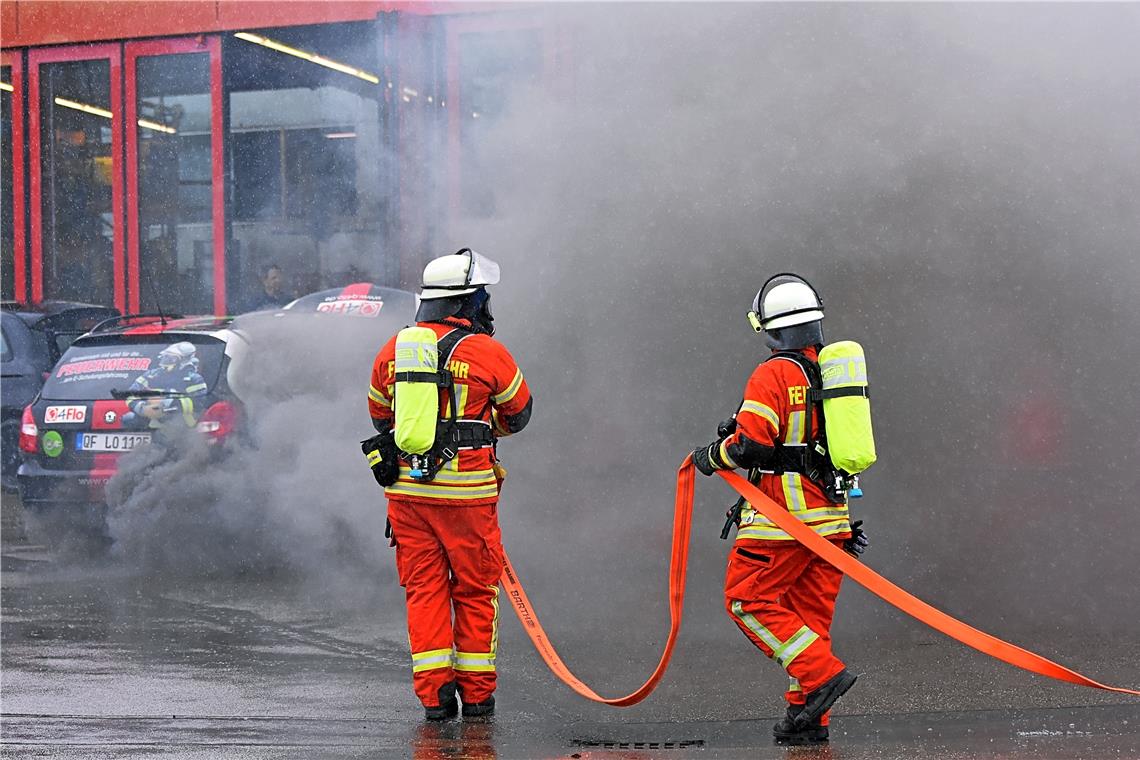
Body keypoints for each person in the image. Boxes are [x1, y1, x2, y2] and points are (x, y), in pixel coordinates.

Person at [690, 273, 864, 745]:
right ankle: (808, 718)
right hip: (831, 522)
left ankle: (822, 677)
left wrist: (711, 456)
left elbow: (752, 447)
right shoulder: (833, 375)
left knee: (747, 602)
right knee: (808, 621)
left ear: (772, 329)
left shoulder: (774, 373)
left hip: (782, 522)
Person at [367, 248, 533, 721]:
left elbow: (381, 416)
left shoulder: (392, 349)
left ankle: (435, 698)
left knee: (424, 589)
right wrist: (479, 429)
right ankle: (477, 696)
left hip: (406, 494)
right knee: (476, 590)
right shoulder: (486, 351)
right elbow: (518, 414)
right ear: (468, 304)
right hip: (466, 496)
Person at [122, 341, 208, 429]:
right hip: (151, 417)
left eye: (172, 358)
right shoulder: (152, 375)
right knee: (129, 419)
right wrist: (143, 409)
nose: (166, 360)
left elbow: (198, 403)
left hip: (180, 421)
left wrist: (164, 404)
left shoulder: (194, 379)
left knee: (168, 433)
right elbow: (131, 394)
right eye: (165, 356)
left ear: (184, 360)